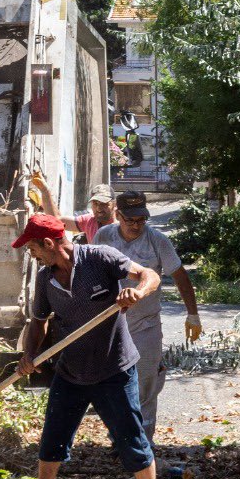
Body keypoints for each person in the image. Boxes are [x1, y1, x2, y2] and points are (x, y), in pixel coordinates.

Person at [13, 213, 164, 479]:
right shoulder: (45, 280)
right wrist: (30, 355)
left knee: (131, 439)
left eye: (33, 248)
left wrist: (136, 292)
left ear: (49, 243)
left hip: (115, 370)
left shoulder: (100, 258)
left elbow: (149, 275)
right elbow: (38, 321)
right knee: (53, 439)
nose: (32, 254)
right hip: (71, 373)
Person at [93, 191, 202, 445]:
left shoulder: (157, 241)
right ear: (117, 215)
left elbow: (180, 276)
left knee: (146, 383)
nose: (135, 225)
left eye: (141, 220)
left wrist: (193, 314)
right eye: (129, 220)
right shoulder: (104, 237)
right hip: (111, 325)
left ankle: (143, 444)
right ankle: (119, 438)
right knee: (112, 384)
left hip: (146, 324)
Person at [31, 174, 116, 242]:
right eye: (95, 203)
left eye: (104, 204)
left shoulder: (123, 224)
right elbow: (57, 220)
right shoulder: (90, 222)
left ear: (114, 204)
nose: (99, 208)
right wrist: (45, 190)